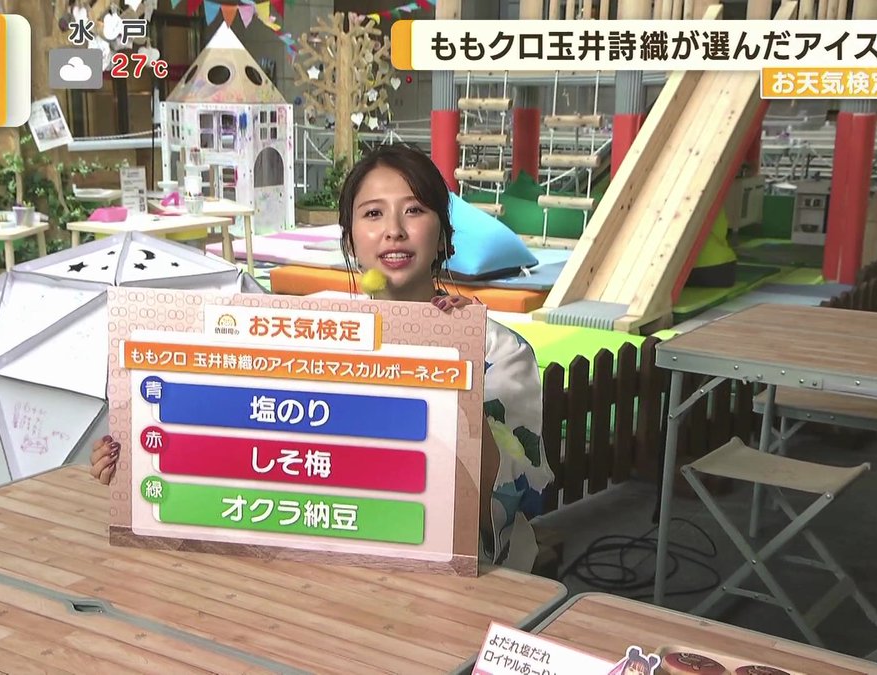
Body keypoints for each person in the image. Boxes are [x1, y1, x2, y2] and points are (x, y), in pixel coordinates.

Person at [91, 145, 554, 570]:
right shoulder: (310, 336)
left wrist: (457, 368)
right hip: (332, 569)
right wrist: (144, 454)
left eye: (414, 210)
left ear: (443, 236)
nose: (394, 229)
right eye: (373, 213)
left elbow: (519, 498)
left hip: (468, 581)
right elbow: (262, 450)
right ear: (350, 241)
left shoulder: (499, 352)